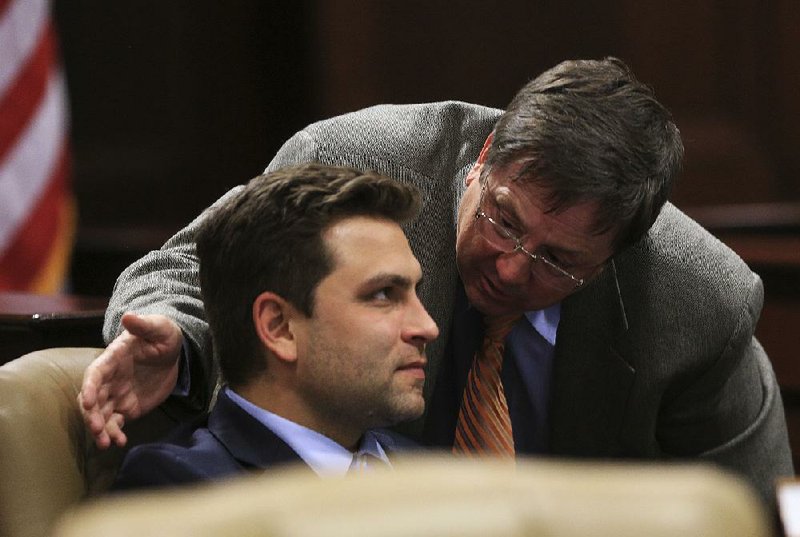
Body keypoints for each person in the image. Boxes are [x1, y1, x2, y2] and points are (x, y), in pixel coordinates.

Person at [80, 58, 793, 504]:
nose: (512, 266)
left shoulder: (697, 297)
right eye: (503, 220)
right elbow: (191, 266)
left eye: (557, 261)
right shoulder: (362, 165)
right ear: (485, 156)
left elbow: (751, 507)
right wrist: (178, 335)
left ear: (610, 262)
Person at [111, 164, 438, 489]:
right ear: (279, 328)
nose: (427, 326)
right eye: (383, 294)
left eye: (415, 292)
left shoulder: (434, 474)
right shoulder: (181, 490)